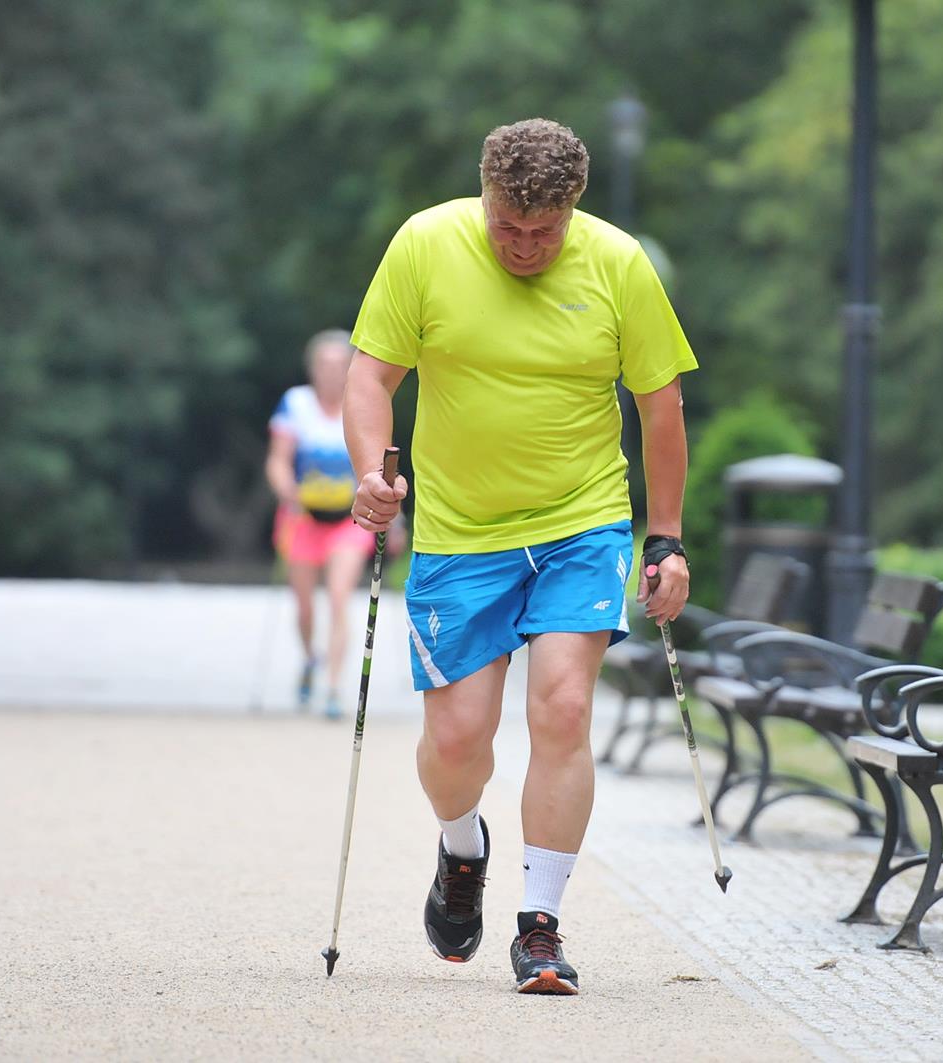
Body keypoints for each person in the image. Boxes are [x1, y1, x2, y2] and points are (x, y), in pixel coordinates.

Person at [344, 118, 695, 995]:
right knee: (457, 739)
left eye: (546, 230)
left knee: (565, 708)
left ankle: (540, 926)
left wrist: (665, 537)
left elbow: (660, 408)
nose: (526, 246)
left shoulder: (618, 264)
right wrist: (370, 474)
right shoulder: (426, 244)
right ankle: (462, 847)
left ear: (574, 209)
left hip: (583, 521)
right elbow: (370, 375)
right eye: (508, 225)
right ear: (485, 195)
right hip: (462, 531)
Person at [265, 330, 389, 717]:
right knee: (304, 606)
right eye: (324, 364)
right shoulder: (297, 404)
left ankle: (333, 687)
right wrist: (287, 490)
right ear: (312, 368)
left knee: (338, 597)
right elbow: (278, 460)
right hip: (303, 515)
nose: (332, 372)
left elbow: (379, 461)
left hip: (348, 520)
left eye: (340, 365)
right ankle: (309, 658)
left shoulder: (361, 402)